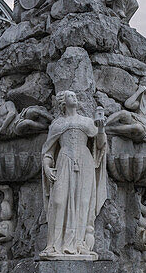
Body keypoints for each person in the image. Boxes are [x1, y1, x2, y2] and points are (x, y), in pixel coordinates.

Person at [41, 91, 107, 257]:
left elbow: (100, 146)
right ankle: (54, 245)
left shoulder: (87, 122)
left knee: (83, 202)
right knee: (58, 201)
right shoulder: (57, 124)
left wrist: (100, 129)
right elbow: (48, 152)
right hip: (64, 162)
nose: (75, 97)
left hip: (85, 164)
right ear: (63, 102)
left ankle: (79, 244)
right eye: (71, 96)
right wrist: (47, 168)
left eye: (75, 96)